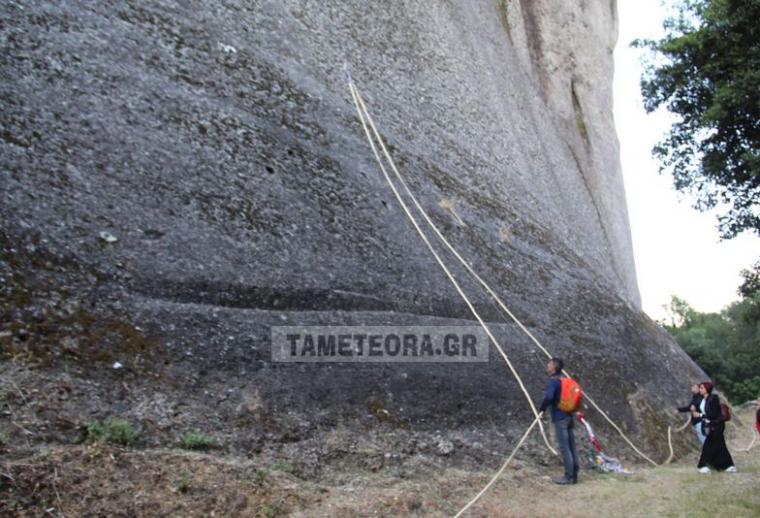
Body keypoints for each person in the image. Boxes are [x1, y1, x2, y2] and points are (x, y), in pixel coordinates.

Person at [539, 357, 579, 484]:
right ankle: (574, 475)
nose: (547, 365)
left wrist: (542, 409)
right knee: (572, 446)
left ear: (554, 367)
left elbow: (549, 397)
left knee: (564, 447)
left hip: (560, 417)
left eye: (549, 364)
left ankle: (568, 477)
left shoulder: (553, 381)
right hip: (569, 415)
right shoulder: (565, 379)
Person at [693, 381, 736, 473]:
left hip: (717, 425)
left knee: (708, 445)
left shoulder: (713, 398)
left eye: (702, 388)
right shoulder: (703, 399)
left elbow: (712, 414)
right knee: (720, 445)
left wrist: (700, 415)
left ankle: (703, 466)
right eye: (700, 388)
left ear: (707, 389)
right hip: (710, 425)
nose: (700, 389)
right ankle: (727, 466)